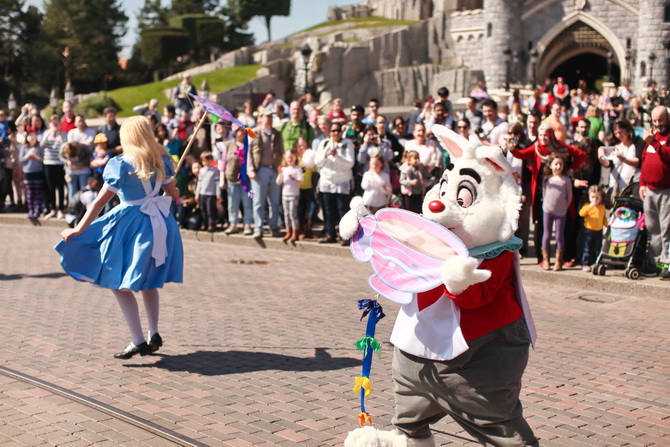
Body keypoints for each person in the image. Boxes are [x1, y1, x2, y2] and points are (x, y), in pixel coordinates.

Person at [56, 116, 183, 359]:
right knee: (149, 280)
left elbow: (99, 201)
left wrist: (79, 229)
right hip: (158, 222)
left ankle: (138, 340)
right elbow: (174, 194)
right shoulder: (162, 160)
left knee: (117, 281)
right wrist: (172, 182)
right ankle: (153, 332)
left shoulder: (122, 164)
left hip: (131, 223)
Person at [639, 106, 670, 279]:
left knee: (667, 230)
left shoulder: (663, 138)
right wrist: (642, 183)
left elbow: (667, 155)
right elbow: (645, 161)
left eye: (661, 120)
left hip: (667, 191)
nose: (658, 124)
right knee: (653, 229)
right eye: (655, 120)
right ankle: (658, 262)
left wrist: (654, 142)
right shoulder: (652, 138)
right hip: (650, 190)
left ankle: (668, 263)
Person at [315, 121, 354, 244]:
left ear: (341, 132)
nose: (335, 133)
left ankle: (345, 236)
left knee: (342, 209)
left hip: (342, 181)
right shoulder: (324, 143)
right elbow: (318, 162)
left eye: (337, 130)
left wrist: (337, 156)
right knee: (328, 210)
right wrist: (325, 156)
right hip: (327, 181)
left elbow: (350, 163)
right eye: (333, 131)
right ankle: (330, 233)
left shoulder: (347, 144)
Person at [248, 109, 284, 239]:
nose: (268, 119)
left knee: (274, 202)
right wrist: (250, 169)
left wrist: (281, 167)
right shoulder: (253, 132)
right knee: (258, 201)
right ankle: (258, 228)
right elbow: (248, 151)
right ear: (260, 117)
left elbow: (281, 151)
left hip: (274, 169)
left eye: (270, 116)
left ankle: (273, 226)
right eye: (266, 116)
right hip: (259, 170)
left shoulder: (277, 134)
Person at [541, 154, 572, 271]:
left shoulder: (566, 181)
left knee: (559, 236)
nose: (558, 167)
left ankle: (559, 261)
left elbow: (569, 197)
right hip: (547, 211)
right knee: (547, 235)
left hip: (561, 212)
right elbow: (545, 194)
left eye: (560, 164)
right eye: (556, 164)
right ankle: (546, 260)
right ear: (550, 165)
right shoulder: (547, 180)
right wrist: (546, 206)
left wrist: (564, 207)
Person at [599, 120, 642, 198]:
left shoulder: (638, 143)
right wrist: (601, 157)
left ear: (628, 130)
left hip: (632, 185)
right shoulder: (614, 145)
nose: (618, 135)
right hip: (614, 184)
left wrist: (623, 159)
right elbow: (608, 164)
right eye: (616, 133)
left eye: (621, 132)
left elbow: (638, 162)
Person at [223, 128, 254, 236]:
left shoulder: (248, 145)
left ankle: (248, 224)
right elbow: (223, 162)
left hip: (246, 179)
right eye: (239, 131)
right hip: (232, 178)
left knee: (247, 202)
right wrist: (222, 179)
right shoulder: (228, 144)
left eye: (243, 131)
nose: (241, 133)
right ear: (235, 133)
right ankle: (233, 224)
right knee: (232, 203)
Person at [40, 114, 66, 219]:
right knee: (50, 187)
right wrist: (50, 132)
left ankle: (60, 208)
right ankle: (52, 209)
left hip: (59, 163)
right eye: (53, 122)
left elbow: (64, 146)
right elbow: (42, 144)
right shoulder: (47, 133)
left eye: (57, 122)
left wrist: (59, 134)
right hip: (48, 162)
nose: (55, 124)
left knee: (60, 186)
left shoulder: (63, 134)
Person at [276, 150, 303, 242]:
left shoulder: (297, 169)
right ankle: (288, 231)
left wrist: (293, 179)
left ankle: (295, 232)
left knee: (292, 214)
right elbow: (278, 182)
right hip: (285, 194)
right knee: (286, 214)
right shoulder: (284, 169)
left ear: (295, 157)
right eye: (288, 157)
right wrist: (280, 174)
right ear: (285, 158)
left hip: (294, 194)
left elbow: (300, 181)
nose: (290, 159)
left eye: (292, 157)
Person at [579, 185, 607, 272]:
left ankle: (596, 262)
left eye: (597, 198)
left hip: (598, 230)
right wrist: (590, 206)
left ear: (601, 197)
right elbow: (581, 213)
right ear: (589, 197)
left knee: (597, 248)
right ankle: (585, 263)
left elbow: (603, 217)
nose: (595, 200)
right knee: (587, 248)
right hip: (588, 230)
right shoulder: (587, 206)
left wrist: (607, 225)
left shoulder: (602, 206)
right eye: (592, 197)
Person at [19, 131, 44, 224]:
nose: (32, 138)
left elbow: (43, 160)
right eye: (30, 136)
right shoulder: (24, 148)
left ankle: (38, 210)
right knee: (30, 193)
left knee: (38, 193)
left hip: (38, 172)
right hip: (28, 172)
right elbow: (21, 160)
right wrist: (28, 155)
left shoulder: (39, 148)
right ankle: (31, 210)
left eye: (34, 136)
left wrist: (36, 156)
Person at [195, 151, 220, 232]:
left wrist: (218, 193)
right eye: (204, 161)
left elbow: (217, 183)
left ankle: (211, 224)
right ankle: (204, 223)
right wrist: (197, 193)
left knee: (210, 210)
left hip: (211, 193)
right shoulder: (202, 171)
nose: (206, 162)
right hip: (203, 193)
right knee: (203, 209)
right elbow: (199, 182)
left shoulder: (215, 171)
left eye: (208, 160)